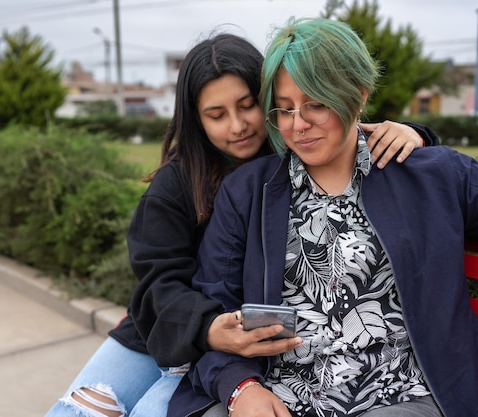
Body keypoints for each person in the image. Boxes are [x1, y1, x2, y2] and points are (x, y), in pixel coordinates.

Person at [44, 31, 441, 417]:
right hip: (174, 329)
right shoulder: (177, 185)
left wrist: (415, 134)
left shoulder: (299, 151)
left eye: (247, 106)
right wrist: (208, 329)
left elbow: (360, 146)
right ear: (196, 120)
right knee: (79, 409)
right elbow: (158, 283)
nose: (237, 126)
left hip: (240, 347)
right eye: (216, 115)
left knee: (151, 410)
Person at [168, 18, 477, 417]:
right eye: (285, 108)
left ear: (358, 94)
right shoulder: (247, 193)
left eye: (316, 104)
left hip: (398, 395)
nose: (298, 124)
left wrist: (420, 139)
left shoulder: (430, 175)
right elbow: (217, 308)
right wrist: (239, 387)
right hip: (278, 395)